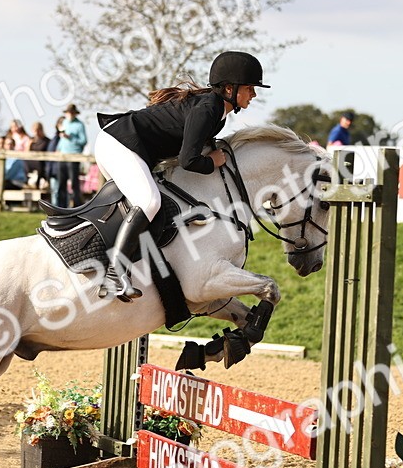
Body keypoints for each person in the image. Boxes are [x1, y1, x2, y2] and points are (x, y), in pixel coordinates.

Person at [94, 50, 268, 301]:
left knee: (153, 203)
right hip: (119, 144)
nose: (254, 94)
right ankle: (114, 275)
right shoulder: (208, 109)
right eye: (250, 88)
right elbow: (189, 161)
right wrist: (212, 161)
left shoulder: (217, 111)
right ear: (230, 88)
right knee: (149, 202)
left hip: (125, 145)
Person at [53, 104, 87, 207]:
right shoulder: (64, 123)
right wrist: (58, 149)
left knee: (74, 184)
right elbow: (62, 140)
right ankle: (61, 207)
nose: (70, 114)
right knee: (61, 183)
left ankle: (77, 206)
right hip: (62, 157)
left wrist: (70, 137)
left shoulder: (80, 125)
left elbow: (83, 141)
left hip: (73, 156)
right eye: (68, 112)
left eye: (72, 112)